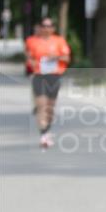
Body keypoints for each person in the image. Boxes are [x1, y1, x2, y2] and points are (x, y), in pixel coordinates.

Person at [25, 17, 70, 148]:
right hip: (39, 76)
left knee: (50, 108)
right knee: (42, 106)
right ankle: (43, 135)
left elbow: (66, 58)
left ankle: (47, 129)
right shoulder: (31, 41)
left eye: (49, 26)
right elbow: (28, 57)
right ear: (40, 27)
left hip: (54, 77)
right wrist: (32, 63)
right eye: (44, 26)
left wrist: (54, 57)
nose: (46, 28)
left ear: (53, 28)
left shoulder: (59, 41)